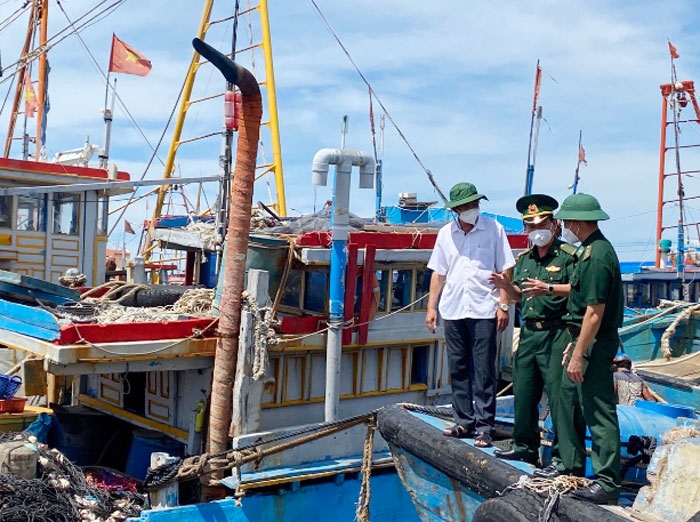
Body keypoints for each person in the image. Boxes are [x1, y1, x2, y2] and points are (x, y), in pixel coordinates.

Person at [425, 182, 515, 448]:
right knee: (458, 367)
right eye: (465, 206)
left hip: (484, 308)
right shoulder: (445, 234)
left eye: (474, 204)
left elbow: (506, 269)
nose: (471, 209)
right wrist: (431, 307)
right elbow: (438, 273)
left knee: (485, 369)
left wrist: (503, 304)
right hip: (453, 308)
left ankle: (485, 426)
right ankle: (464, 421)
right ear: (456, 209)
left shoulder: (494, 230)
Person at [489, 194, 576, 468]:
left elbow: (582, 291)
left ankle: (563, 459)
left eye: (540, 223)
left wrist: (548, 288)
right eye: (529, 225)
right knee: (525, 394)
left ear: (553, 224)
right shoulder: (524, 259)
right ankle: (524, 447)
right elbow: (519, 297)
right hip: (529, 334)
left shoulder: (568, 258)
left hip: (556, 332)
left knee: (560, 398)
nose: (535, 230)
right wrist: (505, 286)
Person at [553, 193, 624, 505]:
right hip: (584, 337)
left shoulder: (595, 256)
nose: (565, 226)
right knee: (579, 403)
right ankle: (581, 471)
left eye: (568, 221)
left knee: (598, 409)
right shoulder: (591, 251)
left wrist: (579, 352)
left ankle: (607, 483)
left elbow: (594, 313)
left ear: (578, 222)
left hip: (595, 340)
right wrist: (575, 344)